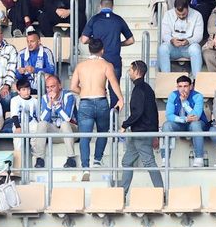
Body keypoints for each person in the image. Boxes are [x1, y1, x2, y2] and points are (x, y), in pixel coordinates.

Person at [69, 35, 121, 179]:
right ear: (102, 51)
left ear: (89, 50)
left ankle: (86, 168)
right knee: (102, 132)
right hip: (101, 101)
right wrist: (121, 99)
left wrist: (84, 92)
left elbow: (73, 87)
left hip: (85, 102)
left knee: (85, 137)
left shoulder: (81, 66)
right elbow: (114, 84)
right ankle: (97, 160)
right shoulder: (106, 65)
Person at [117, 60, 163, 191]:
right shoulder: (147, 88)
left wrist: (124, 125)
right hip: (142, 132)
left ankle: (160, 192)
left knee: (149, 162)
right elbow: (154, 112)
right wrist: (155, 133)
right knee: (127, 162)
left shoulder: (139, 89)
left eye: (130, 70)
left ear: (137, 71)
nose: (129, 72)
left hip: (141, 132)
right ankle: (122, 192)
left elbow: (137, 112)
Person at [164, 73, 208, 166]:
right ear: (177, 87)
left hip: (198, 124)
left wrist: (184, 102)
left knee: (195, 124)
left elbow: (196, 117)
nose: (182, 89)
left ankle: (199, 158)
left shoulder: (198, 96)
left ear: (191, 86)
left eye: (185, 86)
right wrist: (184, 119)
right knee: (167, 125)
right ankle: (165, 159)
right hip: (181, 123)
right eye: (180, 86)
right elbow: (169, 115)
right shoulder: (173, 95)